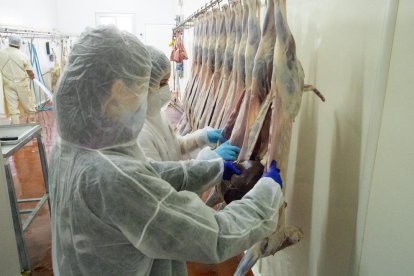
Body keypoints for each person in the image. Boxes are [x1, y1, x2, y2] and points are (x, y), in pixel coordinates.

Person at [49, 25, 284, 276]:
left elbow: (146, 174)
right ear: (118, 90)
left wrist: (212, 168)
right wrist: (266, 197)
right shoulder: (114, 178)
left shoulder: (69, 147)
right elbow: (215, 235)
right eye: (141, 88)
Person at [138, 45, 240, 162]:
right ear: (142, 85)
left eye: (167, 82)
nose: (167, 88)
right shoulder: (139, 133)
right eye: (161, 83)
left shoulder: (155, 114)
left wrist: (202, 137)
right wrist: (206, 161)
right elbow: (163, 176)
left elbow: (174, 145)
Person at [0, 34, 36, 124]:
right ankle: (32, 126)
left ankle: (16, 130)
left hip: (7, 84)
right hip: (21, 84)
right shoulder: (22, 55)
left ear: (9, 42)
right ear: (19, 44)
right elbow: (29, 71)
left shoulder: (1, 53)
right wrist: (32, 76)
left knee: (13, 109)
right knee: (29, 107)